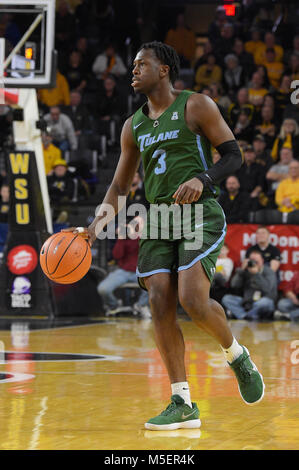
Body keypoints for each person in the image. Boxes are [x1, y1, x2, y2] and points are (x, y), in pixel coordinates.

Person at [63, 42, 265, 430]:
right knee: (159, 300)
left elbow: (234, 155)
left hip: (199, 214)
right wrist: (91, 230)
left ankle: (236, 354)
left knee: (193, 300)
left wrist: (203, 179)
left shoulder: (196, 105)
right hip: (157, 218)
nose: (133, 70)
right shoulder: (133, 125)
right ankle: (182, 401)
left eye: (142, 64)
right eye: (133, 65)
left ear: (165, 70)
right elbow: (120, 187)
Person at [97, 223, 150, 318]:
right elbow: (117, 255)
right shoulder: (124, 238)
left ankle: (141, 305)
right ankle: (114, 306)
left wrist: (139, 235)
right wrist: (121, 238)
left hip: (141, 272)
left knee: (154, 284)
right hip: (123, 271)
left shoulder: (146, 237)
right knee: (103, 289)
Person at [222, 250, 277, 320]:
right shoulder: (246, 271)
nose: (254, 263)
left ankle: (249, 315)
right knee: (227, 299)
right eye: (252, 261)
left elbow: (267, 289)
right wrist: (241, 270)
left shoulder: (268, 271)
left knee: (263, 303)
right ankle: (245, 316)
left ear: (262, 261)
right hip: (247, 302)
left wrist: (256, 274)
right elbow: (234, 285)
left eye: (256, 261)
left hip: (263, 301)